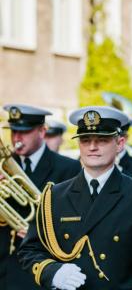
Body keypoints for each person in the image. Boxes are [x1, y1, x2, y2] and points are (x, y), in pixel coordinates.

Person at [18, 106, 132, 289]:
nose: (92, 147)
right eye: (85, 140)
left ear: (119, 144)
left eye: (102, 140)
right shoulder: (54, 196)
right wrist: (52, 272)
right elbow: (30, 250)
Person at [0, 104, 81, 290]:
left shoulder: (68, 168)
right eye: (13, 131)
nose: (16, 138)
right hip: (4, 264)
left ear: (42, 131)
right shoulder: (3, 165)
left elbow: (75, 220)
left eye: (24, 132)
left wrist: (37, 229)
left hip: (40, 268)